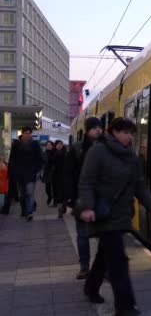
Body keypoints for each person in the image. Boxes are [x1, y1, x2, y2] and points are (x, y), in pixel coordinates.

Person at [77, 117, 151, 316]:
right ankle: (125, 307)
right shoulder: (98, 151)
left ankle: (91, 288)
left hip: (122, 214)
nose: (129, 137)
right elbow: (86, 182)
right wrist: (87, 207)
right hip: (104, 213)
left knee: (105, 256)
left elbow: (139, 185)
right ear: (113, 132)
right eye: (125, 133)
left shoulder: (131, 156)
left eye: (131, 133)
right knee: (118, 260)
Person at [63, 117, 102, 279]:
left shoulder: (106, 147)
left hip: (101, 198)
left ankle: (102, 267)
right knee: (83, 234)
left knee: (104, 235)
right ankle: (84, 267)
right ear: (87, 130)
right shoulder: (77, 148)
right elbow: (69, 174)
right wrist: (70, 198)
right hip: (81, 198)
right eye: (94, 128)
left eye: (100, 127)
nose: (98, 130)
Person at [7, 126, 43, 221]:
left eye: (29, 133)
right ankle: (24, 210)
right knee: (22, 194)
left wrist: (37, 169)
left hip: (31, 174)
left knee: (30, 193)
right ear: (22, 133)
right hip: (19, 174)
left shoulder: (35, 144)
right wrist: (12, 172)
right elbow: (12, 159)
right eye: (26, 133)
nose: (27, 135)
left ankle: (29, 212)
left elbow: (40, 158)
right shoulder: (16, 144)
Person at [52, 140, 66, 218]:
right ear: (56, 145)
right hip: (56, 176)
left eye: (61, 144)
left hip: (64, 175)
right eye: (58, 144)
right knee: (58, 192)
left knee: (63, 193)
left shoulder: (65, 153)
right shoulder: (53, 153)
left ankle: (63, 206)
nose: (59, 145)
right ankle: (60, 209)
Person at [42, 140, 55, 206]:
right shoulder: (43, 154)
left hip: (54, 172)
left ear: (52, 146)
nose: (48, 146)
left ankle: (54, 200)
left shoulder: (54, 153)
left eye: (50, 145)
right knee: (47, 189)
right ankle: (49, 196)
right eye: (47, 145)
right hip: (46, 172)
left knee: (54, 187)